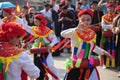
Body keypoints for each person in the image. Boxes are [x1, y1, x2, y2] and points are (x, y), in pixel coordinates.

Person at [61, 9, 112, 80]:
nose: (85, 22)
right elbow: (62, 34)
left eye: (88, 20)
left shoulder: (92, 33)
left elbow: (93, 47)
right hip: (76, 64)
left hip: (87, 63)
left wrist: (104, 52)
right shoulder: (75, 32)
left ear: (91, 21)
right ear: (79, 20)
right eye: (83, 20)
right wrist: (75, 29)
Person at [22, 14, 59, 80]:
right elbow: (25, 26)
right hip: (37, 50)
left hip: (46, 50)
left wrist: (50, 45)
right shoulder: (34, 29)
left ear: (41, 21)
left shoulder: (48, 31)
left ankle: (55, 78)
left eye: (36, 21)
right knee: (37, 66)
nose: (35, 23)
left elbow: (55, 39)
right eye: (34, 21)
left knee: (50, 66)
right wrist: (23, 18)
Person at [101, 3, 117, 68]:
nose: (110, 9)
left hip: (114, 36)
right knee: (106, 49)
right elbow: (103, 25)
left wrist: (109, 26)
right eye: (109, 8)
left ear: (114, 9)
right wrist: (112, 26)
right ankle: (106, 63)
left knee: (113, 49)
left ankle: (113, 64)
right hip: (106, 36)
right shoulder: (104, 17)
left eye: (111, 8)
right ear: (107, 9)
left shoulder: (117, 16)